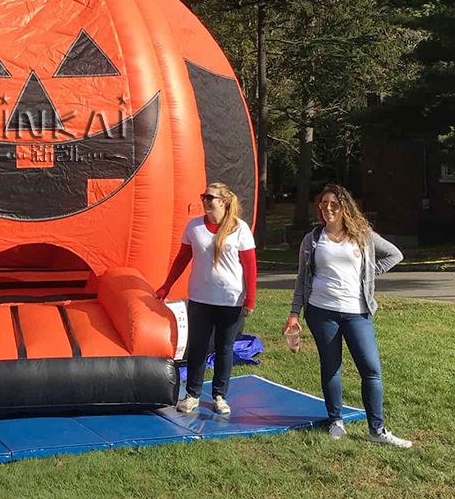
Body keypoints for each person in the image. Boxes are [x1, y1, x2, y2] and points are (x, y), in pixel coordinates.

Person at [284, 183, 411, 447]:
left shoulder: (363, 236)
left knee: (372, 370)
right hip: (321, 312)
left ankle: (377, 430)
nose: (328, 209)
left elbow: (395, 255)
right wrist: (294, 313)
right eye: (323, 204)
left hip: (357, 313)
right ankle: (336, 421)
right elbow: (302, 279)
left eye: (334, 204)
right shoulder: (312, 239)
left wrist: (366, 273)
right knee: (332, 368)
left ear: (344, 208)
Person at [156, 182, 257, 415]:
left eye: (210, 197)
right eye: (204, 196)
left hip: (230, 300)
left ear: (223, 201)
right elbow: (182, 259)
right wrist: (166, 286)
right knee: (198, 347)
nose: (205, 201)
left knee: (224, 348)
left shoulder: (239, 229)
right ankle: (192, 394)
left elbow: (250, 267)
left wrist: (250, 298)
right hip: (200, 298)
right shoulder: (194, 227)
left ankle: (220, 396)